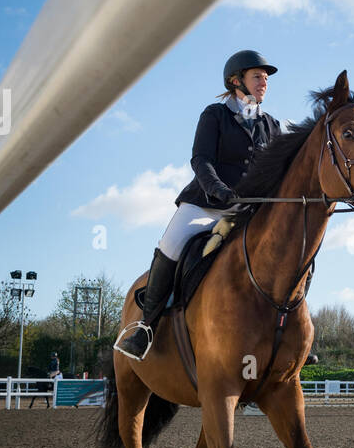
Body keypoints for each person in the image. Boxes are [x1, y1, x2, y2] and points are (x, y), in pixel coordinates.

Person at [114, 49, 283, 359]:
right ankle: (146, 328)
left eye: (266, 78)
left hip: (248, 212)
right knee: (171, 244)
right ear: (236, 81)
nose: (264, 82)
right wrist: (218, 189)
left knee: (288, 249)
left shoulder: (272, 125)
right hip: (206, 204)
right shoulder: (215, 115)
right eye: (257, 76)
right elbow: (201, 159)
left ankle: (285, 333)